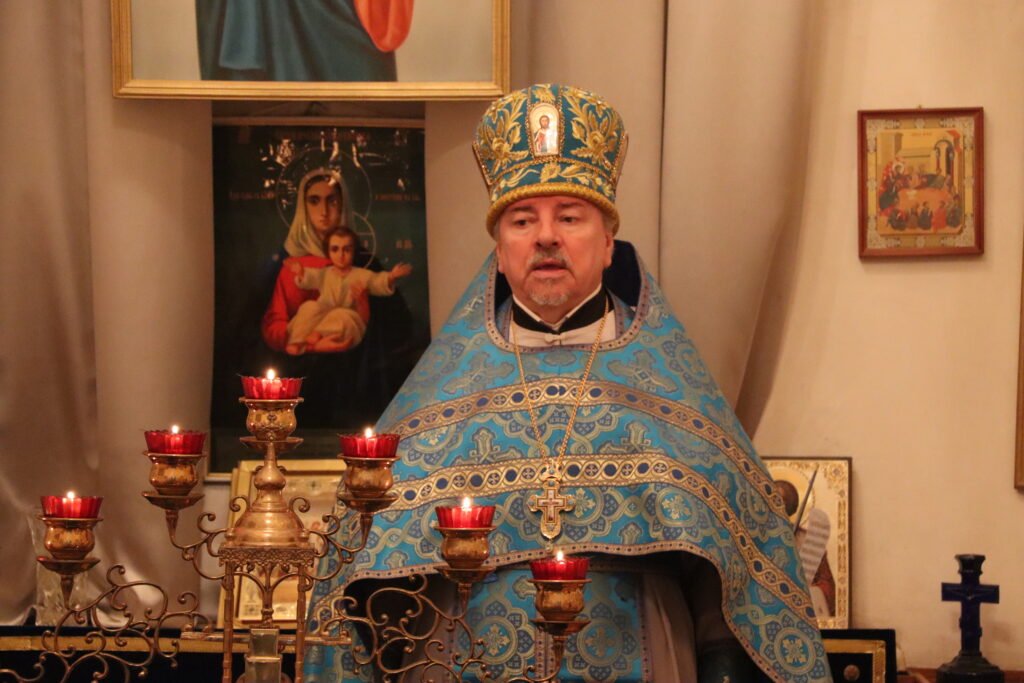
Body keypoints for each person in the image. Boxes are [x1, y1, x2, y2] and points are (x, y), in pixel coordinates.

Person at [306, 84, 832, 683]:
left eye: (570, 217)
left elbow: (737, 584)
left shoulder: (672, 391)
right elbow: (354, 589)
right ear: (500, 250)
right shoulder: (439, 397)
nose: (546, 237)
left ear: (608, 244)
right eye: (522, 220)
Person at [285, 226, 412, 355]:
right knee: (309, 307)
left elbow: (377, 281)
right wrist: (301, 272)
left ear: (354, 251)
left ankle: (318, 334)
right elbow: (310, 277)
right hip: (324, 314)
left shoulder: (362, 275)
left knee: (341, 315)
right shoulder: (325, 273)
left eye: (346, 249)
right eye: (335, 249)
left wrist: (391, 276)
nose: (341, 255)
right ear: (328, 251)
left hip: (351, 322)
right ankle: (297, 342)